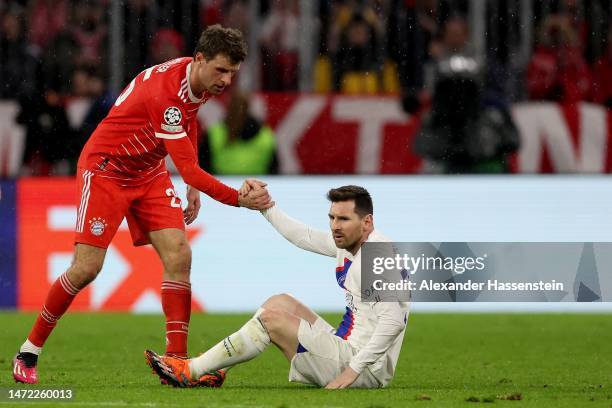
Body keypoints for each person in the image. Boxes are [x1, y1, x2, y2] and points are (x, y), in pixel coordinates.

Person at [12, 25, 272, 385]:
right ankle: (28, 351)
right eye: (221, 70)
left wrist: (193, 187)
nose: (226, 80)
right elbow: (187, 165)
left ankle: (178, 364)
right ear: (200, 60)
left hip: (147, 171)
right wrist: (237, 199)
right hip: (106, 169)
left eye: (232, 73)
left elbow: (189, 118)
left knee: (180, 255)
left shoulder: (195, 78)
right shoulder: (166, 94)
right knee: (87, 268)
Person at [145, 185, 409, 389]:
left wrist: (353, 370)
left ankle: (189, 371)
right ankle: (213, 370)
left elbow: (393, 322)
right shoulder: (353, 243)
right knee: (279, 303)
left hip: (364, 367)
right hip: (347, 347)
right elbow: (304, 236)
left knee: (271, 321)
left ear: (367, 222)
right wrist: (266, 206)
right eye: (332, 218)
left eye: (343, 219)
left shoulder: (377, 259)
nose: (335, 226)